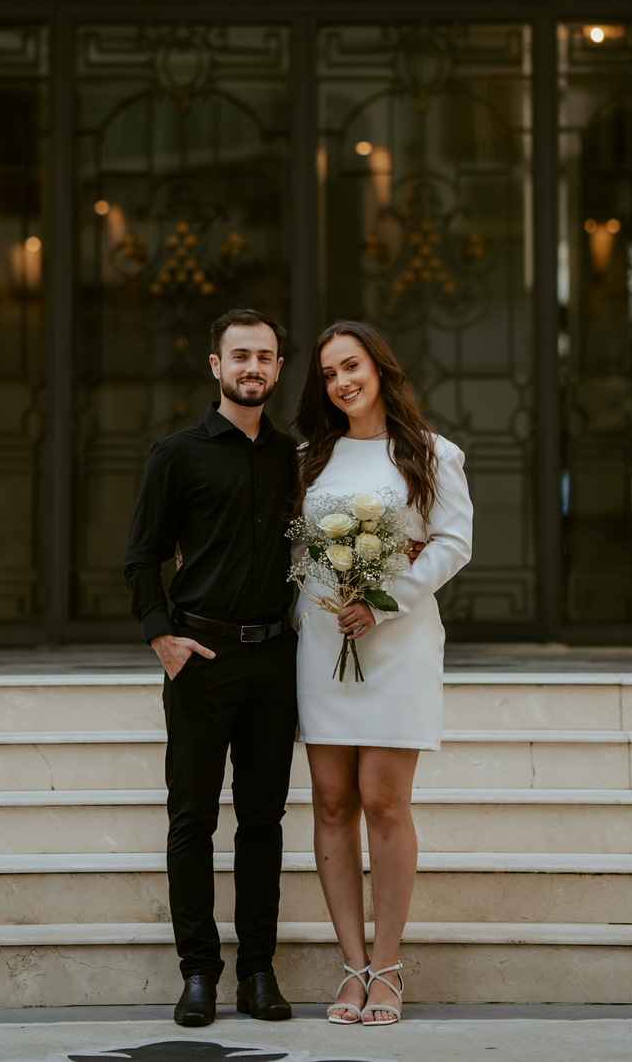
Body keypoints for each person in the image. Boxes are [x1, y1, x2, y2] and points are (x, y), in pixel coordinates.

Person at [291, 320, 473, 1027]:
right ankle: (351, 968)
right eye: (330, 373)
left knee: (383, 800)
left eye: (352, 366)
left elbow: (454, 542)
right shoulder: (310, 458)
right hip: (323, 642)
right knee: (332, 800)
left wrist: (381, 600)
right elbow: (295, 546)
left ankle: (389, 970)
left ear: (379, 369)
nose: (341, 381)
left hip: (397, 644)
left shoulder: (430, 453)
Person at [123, 308, 298, 1029]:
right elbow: (141, 556)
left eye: (265, 356)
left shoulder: (295, 458)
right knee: (192, 820)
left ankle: (258, 971)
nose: (252, 367)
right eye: (240, 356)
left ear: (279, 369)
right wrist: (162, 636)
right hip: (201, 659)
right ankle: (199, 973)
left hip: (275, 661)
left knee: (262, 822)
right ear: (215, 366)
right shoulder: (178, 453)